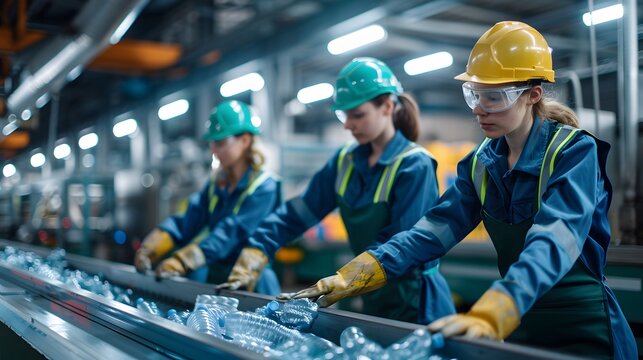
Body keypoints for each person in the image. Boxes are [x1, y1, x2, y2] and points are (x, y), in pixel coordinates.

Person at [274, 22, 638, 359]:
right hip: (522, 323)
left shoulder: (573, 152)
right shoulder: (481, 163)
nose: (479, 109)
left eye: (493, 97)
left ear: (533, 94)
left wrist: (497, 307)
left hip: (583, 326)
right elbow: (431, 232)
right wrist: (358, 273)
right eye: (473, 94)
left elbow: (555, 240)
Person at [218, 57, 455, 324]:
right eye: (343, 115)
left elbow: (402, 245)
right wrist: (258, 247)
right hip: (372, 298)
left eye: (357, 115)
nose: (347, 125)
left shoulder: (414, 165)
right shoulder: (346, 162)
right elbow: (299, 212)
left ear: (387, 106)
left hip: (417, 304)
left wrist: (349, 277)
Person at [134, 100, 281, 295]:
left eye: (220, 143)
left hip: (253, 281)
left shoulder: (265, 187)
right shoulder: (216, 185)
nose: (214, 150)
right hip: (217, 278)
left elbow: (233, 231)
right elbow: (189, 218)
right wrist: (156, 242)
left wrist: (185, 260)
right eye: (212, 143)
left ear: (245, 140)